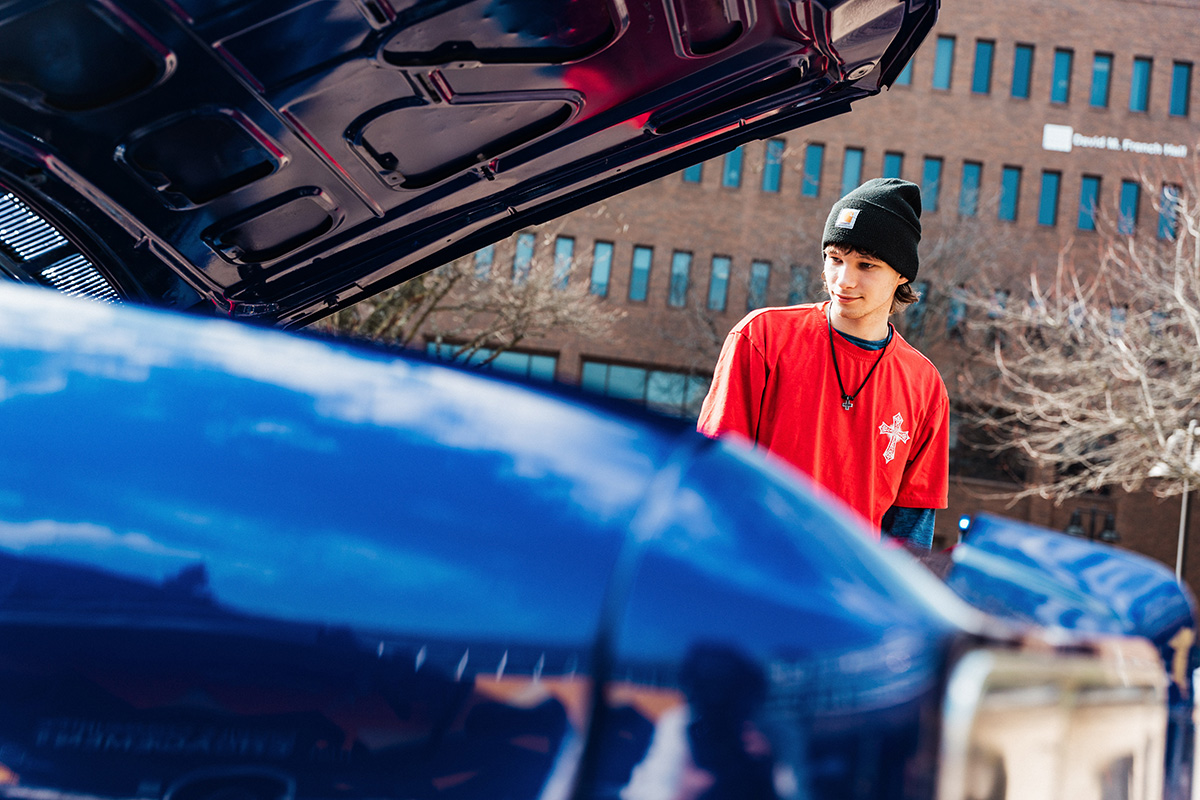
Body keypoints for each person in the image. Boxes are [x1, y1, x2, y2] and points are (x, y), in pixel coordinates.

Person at [697, 178, 949, 548]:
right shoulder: (761, 337)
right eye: (835, 259)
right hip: (754, 571)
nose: (843, 280)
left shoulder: (924, 385)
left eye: (866, 265)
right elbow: (714, 473)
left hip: (846, 594)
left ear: (901, 275)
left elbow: (910, 530)